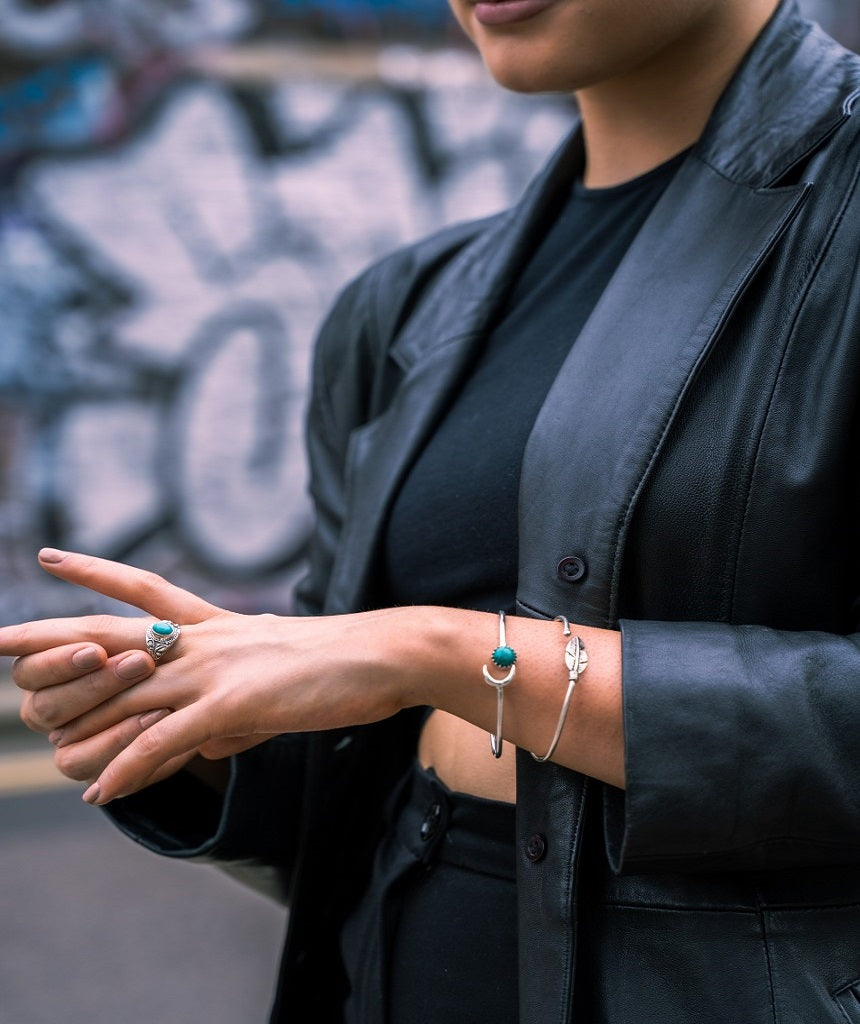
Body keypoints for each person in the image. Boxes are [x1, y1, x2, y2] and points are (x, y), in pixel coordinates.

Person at [4, 0, 860, 1020]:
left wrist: (442, 654)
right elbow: (352, 777)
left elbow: (408, 661)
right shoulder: (407, 306)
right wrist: (193, 732)